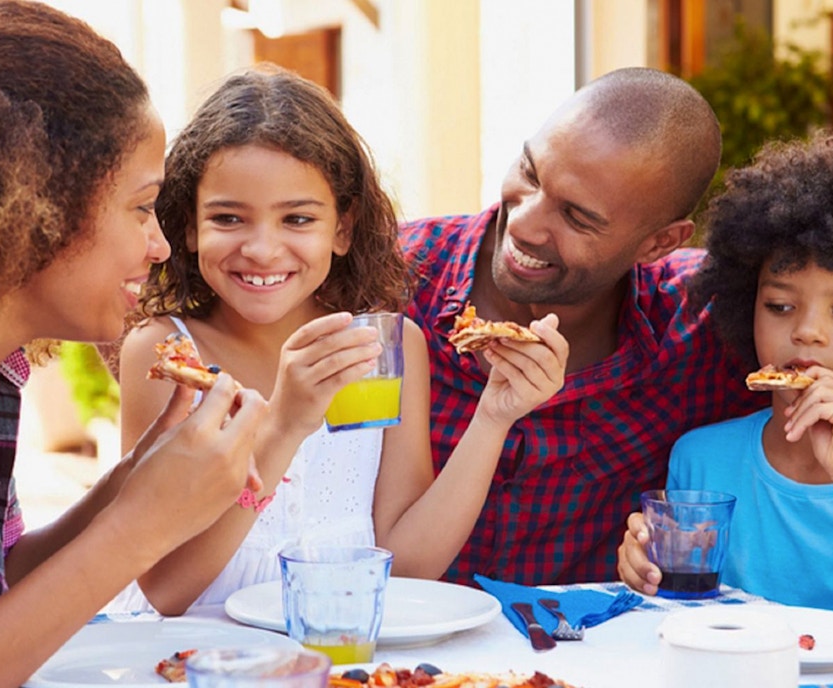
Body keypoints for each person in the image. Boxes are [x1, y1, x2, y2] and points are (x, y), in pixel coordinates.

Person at [0, 2, 267, 686]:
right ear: (30, 208)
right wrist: (142, 530)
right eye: (141, 207)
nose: (160, 246)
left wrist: (133, 484)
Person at [115, 66, 568, 615]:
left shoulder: (383, 349)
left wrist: (494, 417)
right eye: (229, 218)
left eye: (297, 219)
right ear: (188, 226)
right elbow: (168, 589)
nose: (262, 249)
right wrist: (283, 427)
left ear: (343, 228)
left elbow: (407, 565)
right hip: (192, 651)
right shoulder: (169, 356)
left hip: (338, 648)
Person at [400, 67, 764, 586]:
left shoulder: (705, 327)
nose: (524, 223)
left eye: (576, 217)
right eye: (529, 173)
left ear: (659, 243)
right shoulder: (392, 279)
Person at [616, 130, 833, 665]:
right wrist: (645, 575)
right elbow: (684, 624)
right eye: (779, 306)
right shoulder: (702, 459)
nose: (806, 332)